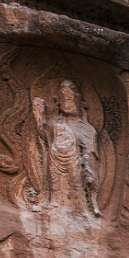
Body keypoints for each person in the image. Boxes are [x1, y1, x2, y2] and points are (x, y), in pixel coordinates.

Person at [35, 79, 100, 217]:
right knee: (53, 174)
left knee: (77, 182)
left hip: (75, 164)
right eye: (63, 99)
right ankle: (53, 202)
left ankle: (81, 208)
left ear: (77, 101)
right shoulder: (53, 123)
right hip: (54, 160)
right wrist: (39, 118)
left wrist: (88, 168)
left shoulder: (87, 129)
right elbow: (43, 137)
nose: (66, 103)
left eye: (69, 99)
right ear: (58, 101)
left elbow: (90, 152)